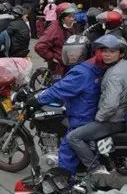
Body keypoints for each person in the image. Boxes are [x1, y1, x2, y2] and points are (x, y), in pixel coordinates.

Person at [28, 35, 104, 175]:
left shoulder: (81, 72)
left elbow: (59, 89)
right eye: (70, 53)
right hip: (90, 111)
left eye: (76, 53)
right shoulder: (92, 66)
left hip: (81, 117)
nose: (72, 56)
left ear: (86, 52)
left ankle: (65, 185)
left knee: (66, 152)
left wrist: (37, 99)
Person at [66, 35, 127, 173]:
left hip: (113, 120)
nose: (107, 54)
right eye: (104, 50)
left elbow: (110, 105)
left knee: (73, 137)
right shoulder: (125, 67)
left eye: (112, 51)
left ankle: (95, 169)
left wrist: (99, 118)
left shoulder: (114, 75)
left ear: (121, 53)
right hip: (124, 116)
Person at [35, 2, 76, 77]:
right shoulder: (54, 28)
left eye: (73, 16)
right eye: (69, 17)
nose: (72, 19)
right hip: (58, 66)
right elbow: (39, 46)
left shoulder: (69, 27)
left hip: (68, 62)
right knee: (58, 86)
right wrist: (52, 57)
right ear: (62, 17)